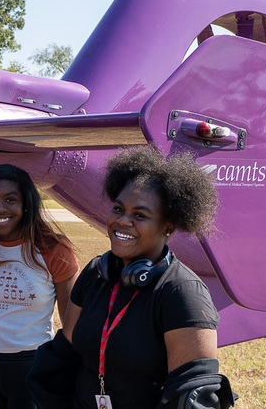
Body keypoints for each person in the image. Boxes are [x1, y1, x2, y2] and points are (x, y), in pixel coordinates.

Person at [59, 145, 223, 408]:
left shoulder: (183, 292)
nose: (123, 221)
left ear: (168, 227)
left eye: (140, 215)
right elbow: (64, 355)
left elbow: (192, 395)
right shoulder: (95, 273)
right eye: (118, 209)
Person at [0, 164, 79, 409]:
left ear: (26, 203)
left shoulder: (53, 249)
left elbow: (72, 326)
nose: (0, 208)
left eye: (10, 199)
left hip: (33, 366)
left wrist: (65, 374)